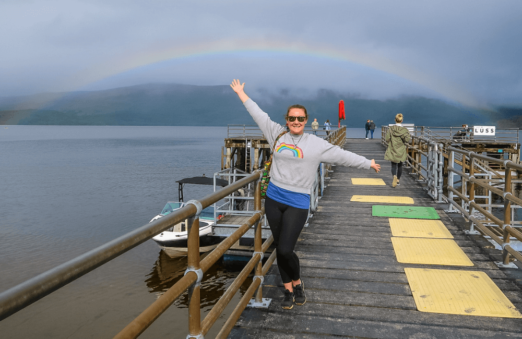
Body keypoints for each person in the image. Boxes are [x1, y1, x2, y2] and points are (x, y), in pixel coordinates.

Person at [230, 79, 381, 309]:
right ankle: (288, 290)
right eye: (292, 118)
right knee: (280, 247)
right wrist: (242, 93)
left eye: (301, 118)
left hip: (298, 201)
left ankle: (298, 283)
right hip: (273, 199)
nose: (296, 122)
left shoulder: (315, 144)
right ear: (287, 120)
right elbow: (258, 114)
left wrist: (367, 163)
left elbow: (342, 155)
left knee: (285, 249)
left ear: (306, 121)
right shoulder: (276, 135)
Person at [384, 113, 411, 188]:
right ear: (402, 120)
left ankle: (394, 176)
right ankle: (398, 180)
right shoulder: (404, 130)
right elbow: (407, 140)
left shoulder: (391, 129)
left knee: (393, 165)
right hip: (401, 149)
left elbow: (387, 139)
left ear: (395, 120)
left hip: (393, 148)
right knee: (400, 165)